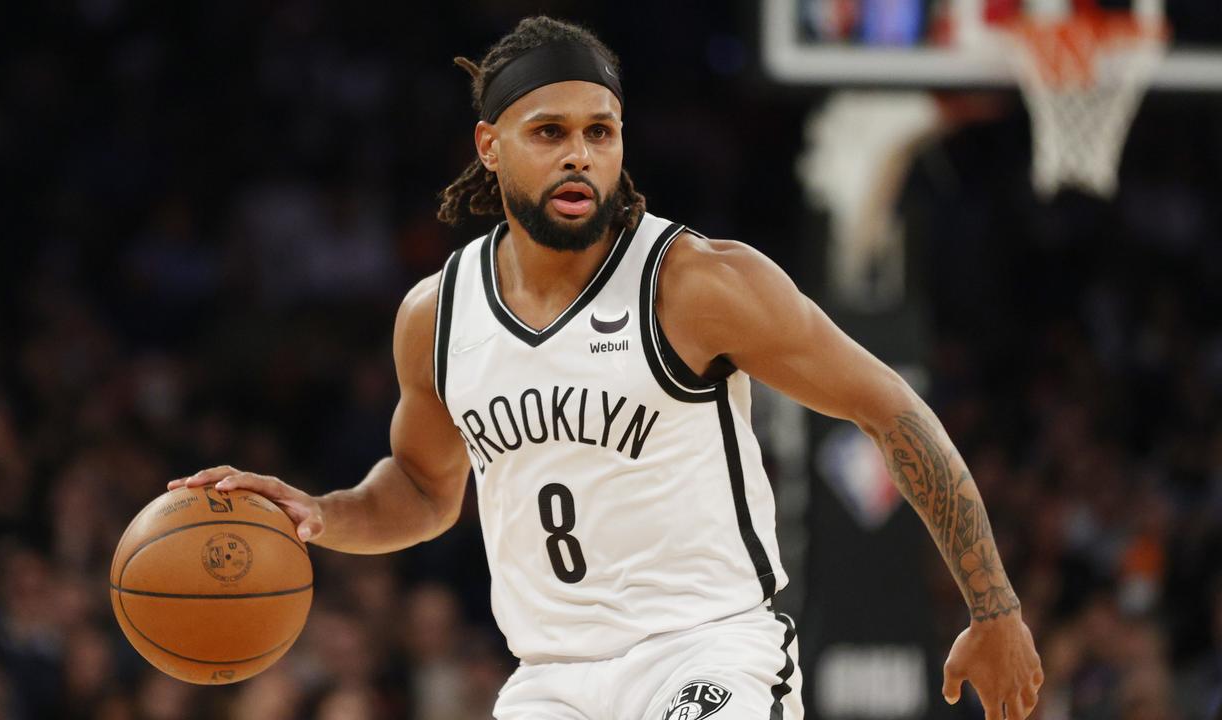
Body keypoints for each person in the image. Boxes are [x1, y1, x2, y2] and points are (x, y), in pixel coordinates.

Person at [170, 16, 1044, 720]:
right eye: (549, 132)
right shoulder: (436, 315)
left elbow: (892, 408)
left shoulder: (697, 284)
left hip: (709, 654)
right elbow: (423, 489)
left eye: (601, 131)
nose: (579, 154)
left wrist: (993, 606)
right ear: (489, 146)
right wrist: (317, 514)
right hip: (549, 679)